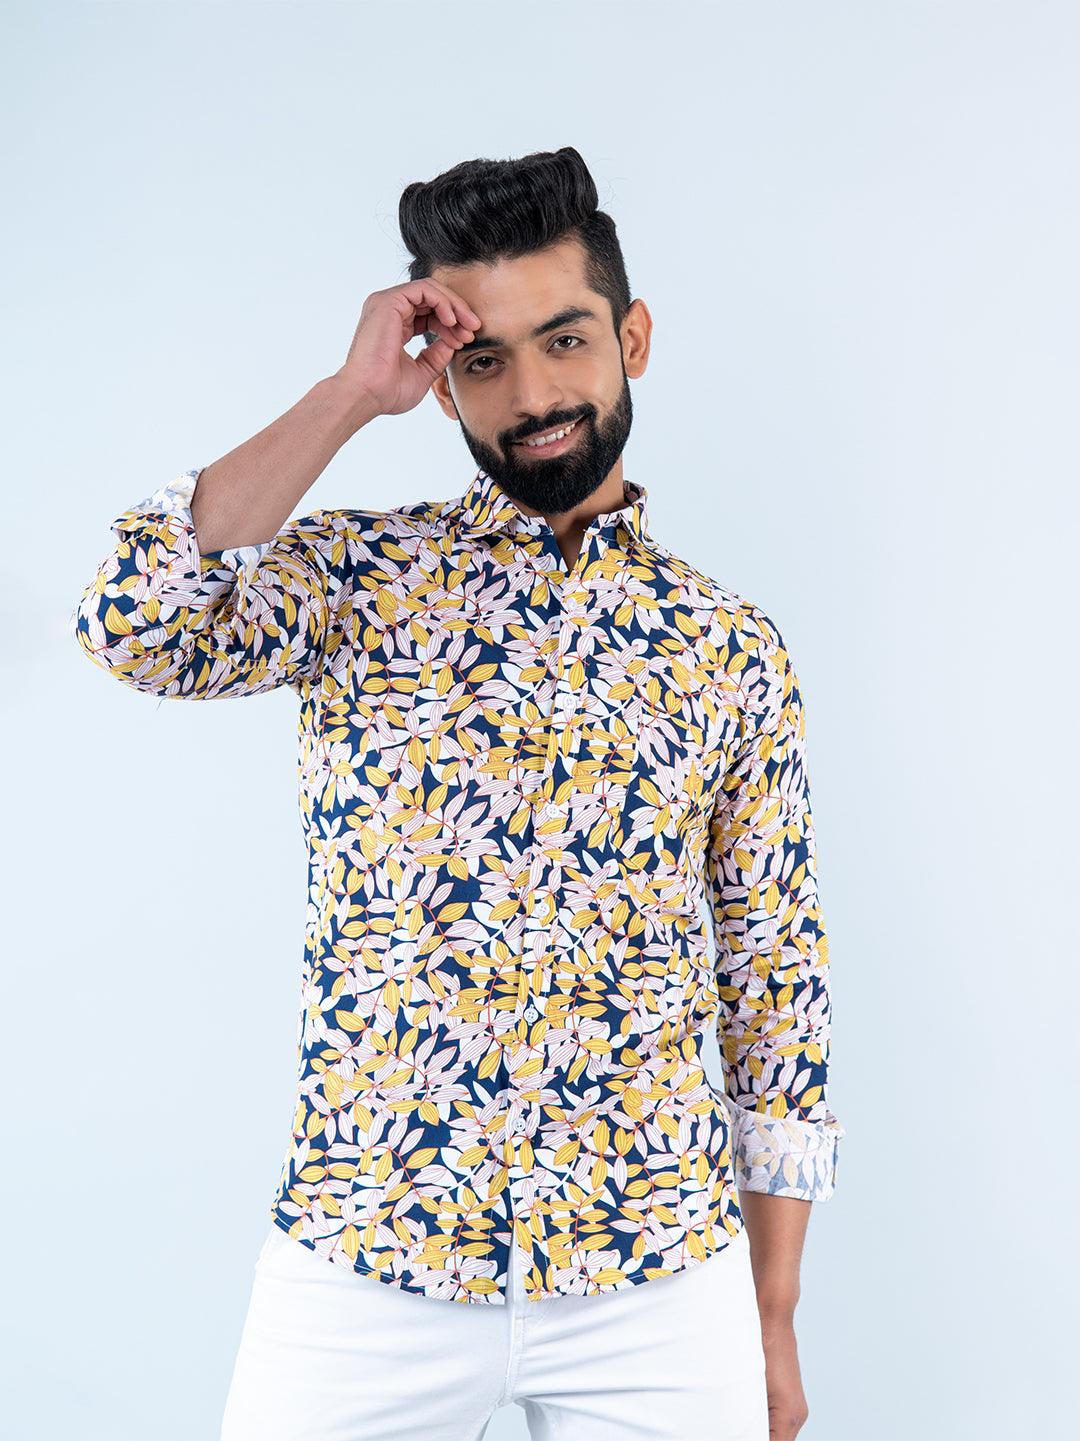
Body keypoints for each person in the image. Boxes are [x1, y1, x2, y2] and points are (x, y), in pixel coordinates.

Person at [71, 146, 844, 1441]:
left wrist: (771, 1310)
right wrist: (345, 398)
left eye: (566, 341)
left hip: (658, 1274)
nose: (533, 396)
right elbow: (135, 623)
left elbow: (775, 983)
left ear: (633, 339)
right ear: (442, 383)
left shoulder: (728, 646)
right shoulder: (356, 583)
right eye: (485, 361)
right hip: (368, 1252)